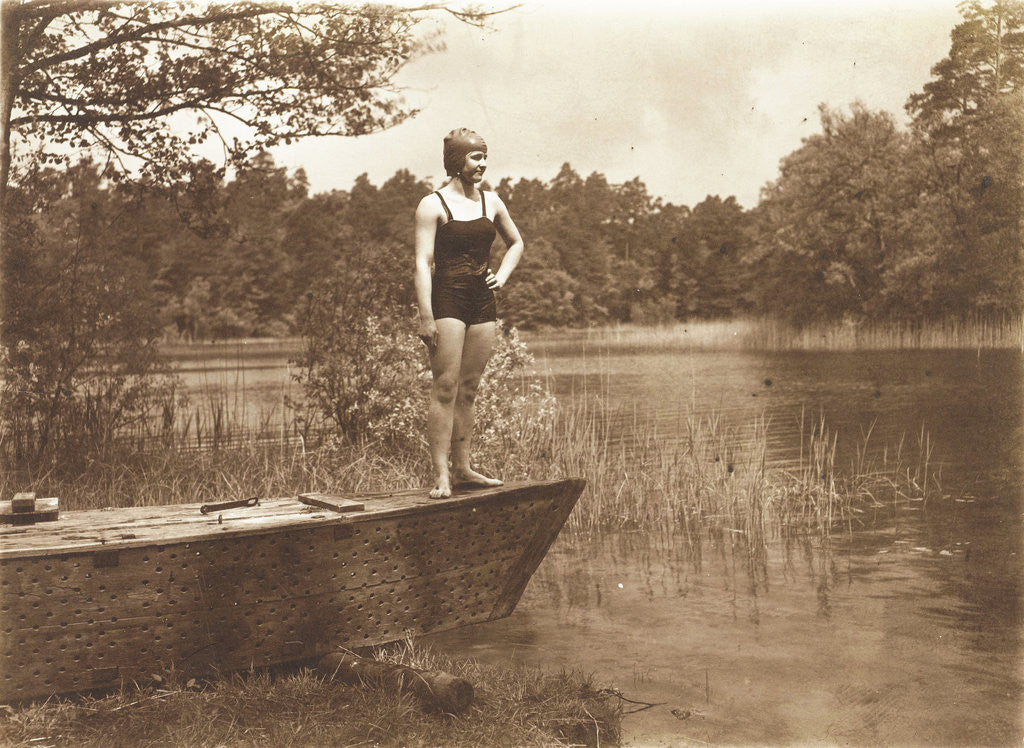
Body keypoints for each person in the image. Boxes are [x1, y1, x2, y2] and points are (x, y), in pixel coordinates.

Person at [414, 128, 524, 499]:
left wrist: (501, 277)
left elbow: (516, 243)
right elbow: (422, 261)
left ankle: (463, 470)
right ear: (456, 160)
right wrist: (425, 316)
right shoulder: (432, 204)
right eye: (476, 157)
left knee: (470, 388)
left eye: (485, 157)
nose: (483, 164)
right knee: (445, 387)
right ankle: (442, 475)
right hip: (447, 298)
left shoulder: (491, 201)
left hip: (482, 300)